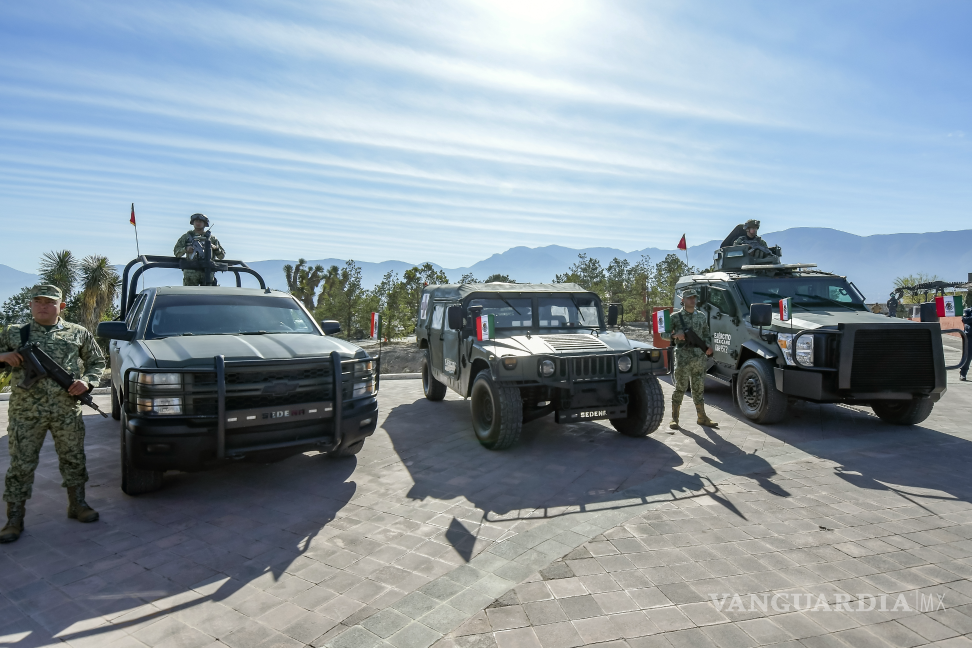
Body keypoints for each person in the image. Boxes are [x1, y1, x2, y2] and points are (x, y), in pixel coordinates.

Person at [0, 285, 105, 543]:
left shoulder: (77, 332)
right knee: (21, 465)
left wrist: (87, 382)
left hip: (66, 409)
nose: (43, 306)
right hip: (25, 412)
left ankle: (77, 505)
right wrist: (4, 356)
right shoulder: (15, 333)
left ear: (61, 306)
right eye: (37, 301)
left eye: (49, 302)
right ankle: (14, 519)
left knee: (73, 458)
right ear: (30, 305)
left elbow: (97, 362)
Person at [661, 288, 718, 429]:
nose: (692, 300)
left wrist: (709, 346)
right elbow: (663, 335)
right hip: (682, 356)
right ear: (683, 300)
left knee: (698, 388)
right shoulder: (675, 317)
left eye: (694, 297)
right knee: (680, 387)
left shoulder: (701, 316)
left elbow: (706, 333)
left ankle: (702, 417)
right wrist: (675, 335)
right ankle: (674, 418)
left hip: (699, 357)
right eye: (689, 297)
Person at [173, 213, 225, 286]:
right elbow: (176, 252)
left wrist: (214, 247)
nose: (198, 223)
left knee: (208, 296)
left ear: (205, 223)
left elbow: (221, 256)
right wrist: (186, 249)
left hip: (207, 272)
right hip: (190, 273)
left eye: (200, 221)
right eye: (196, 221)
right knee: (189, 296)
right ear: (193, 223)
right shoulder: (186, 237)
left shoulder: (212, 239)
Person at [961, 305, 972, 381]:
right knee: (967, 356)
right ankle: (963, 374)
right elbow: (964, 320)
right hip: (969, 336)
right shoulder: (967, 311)